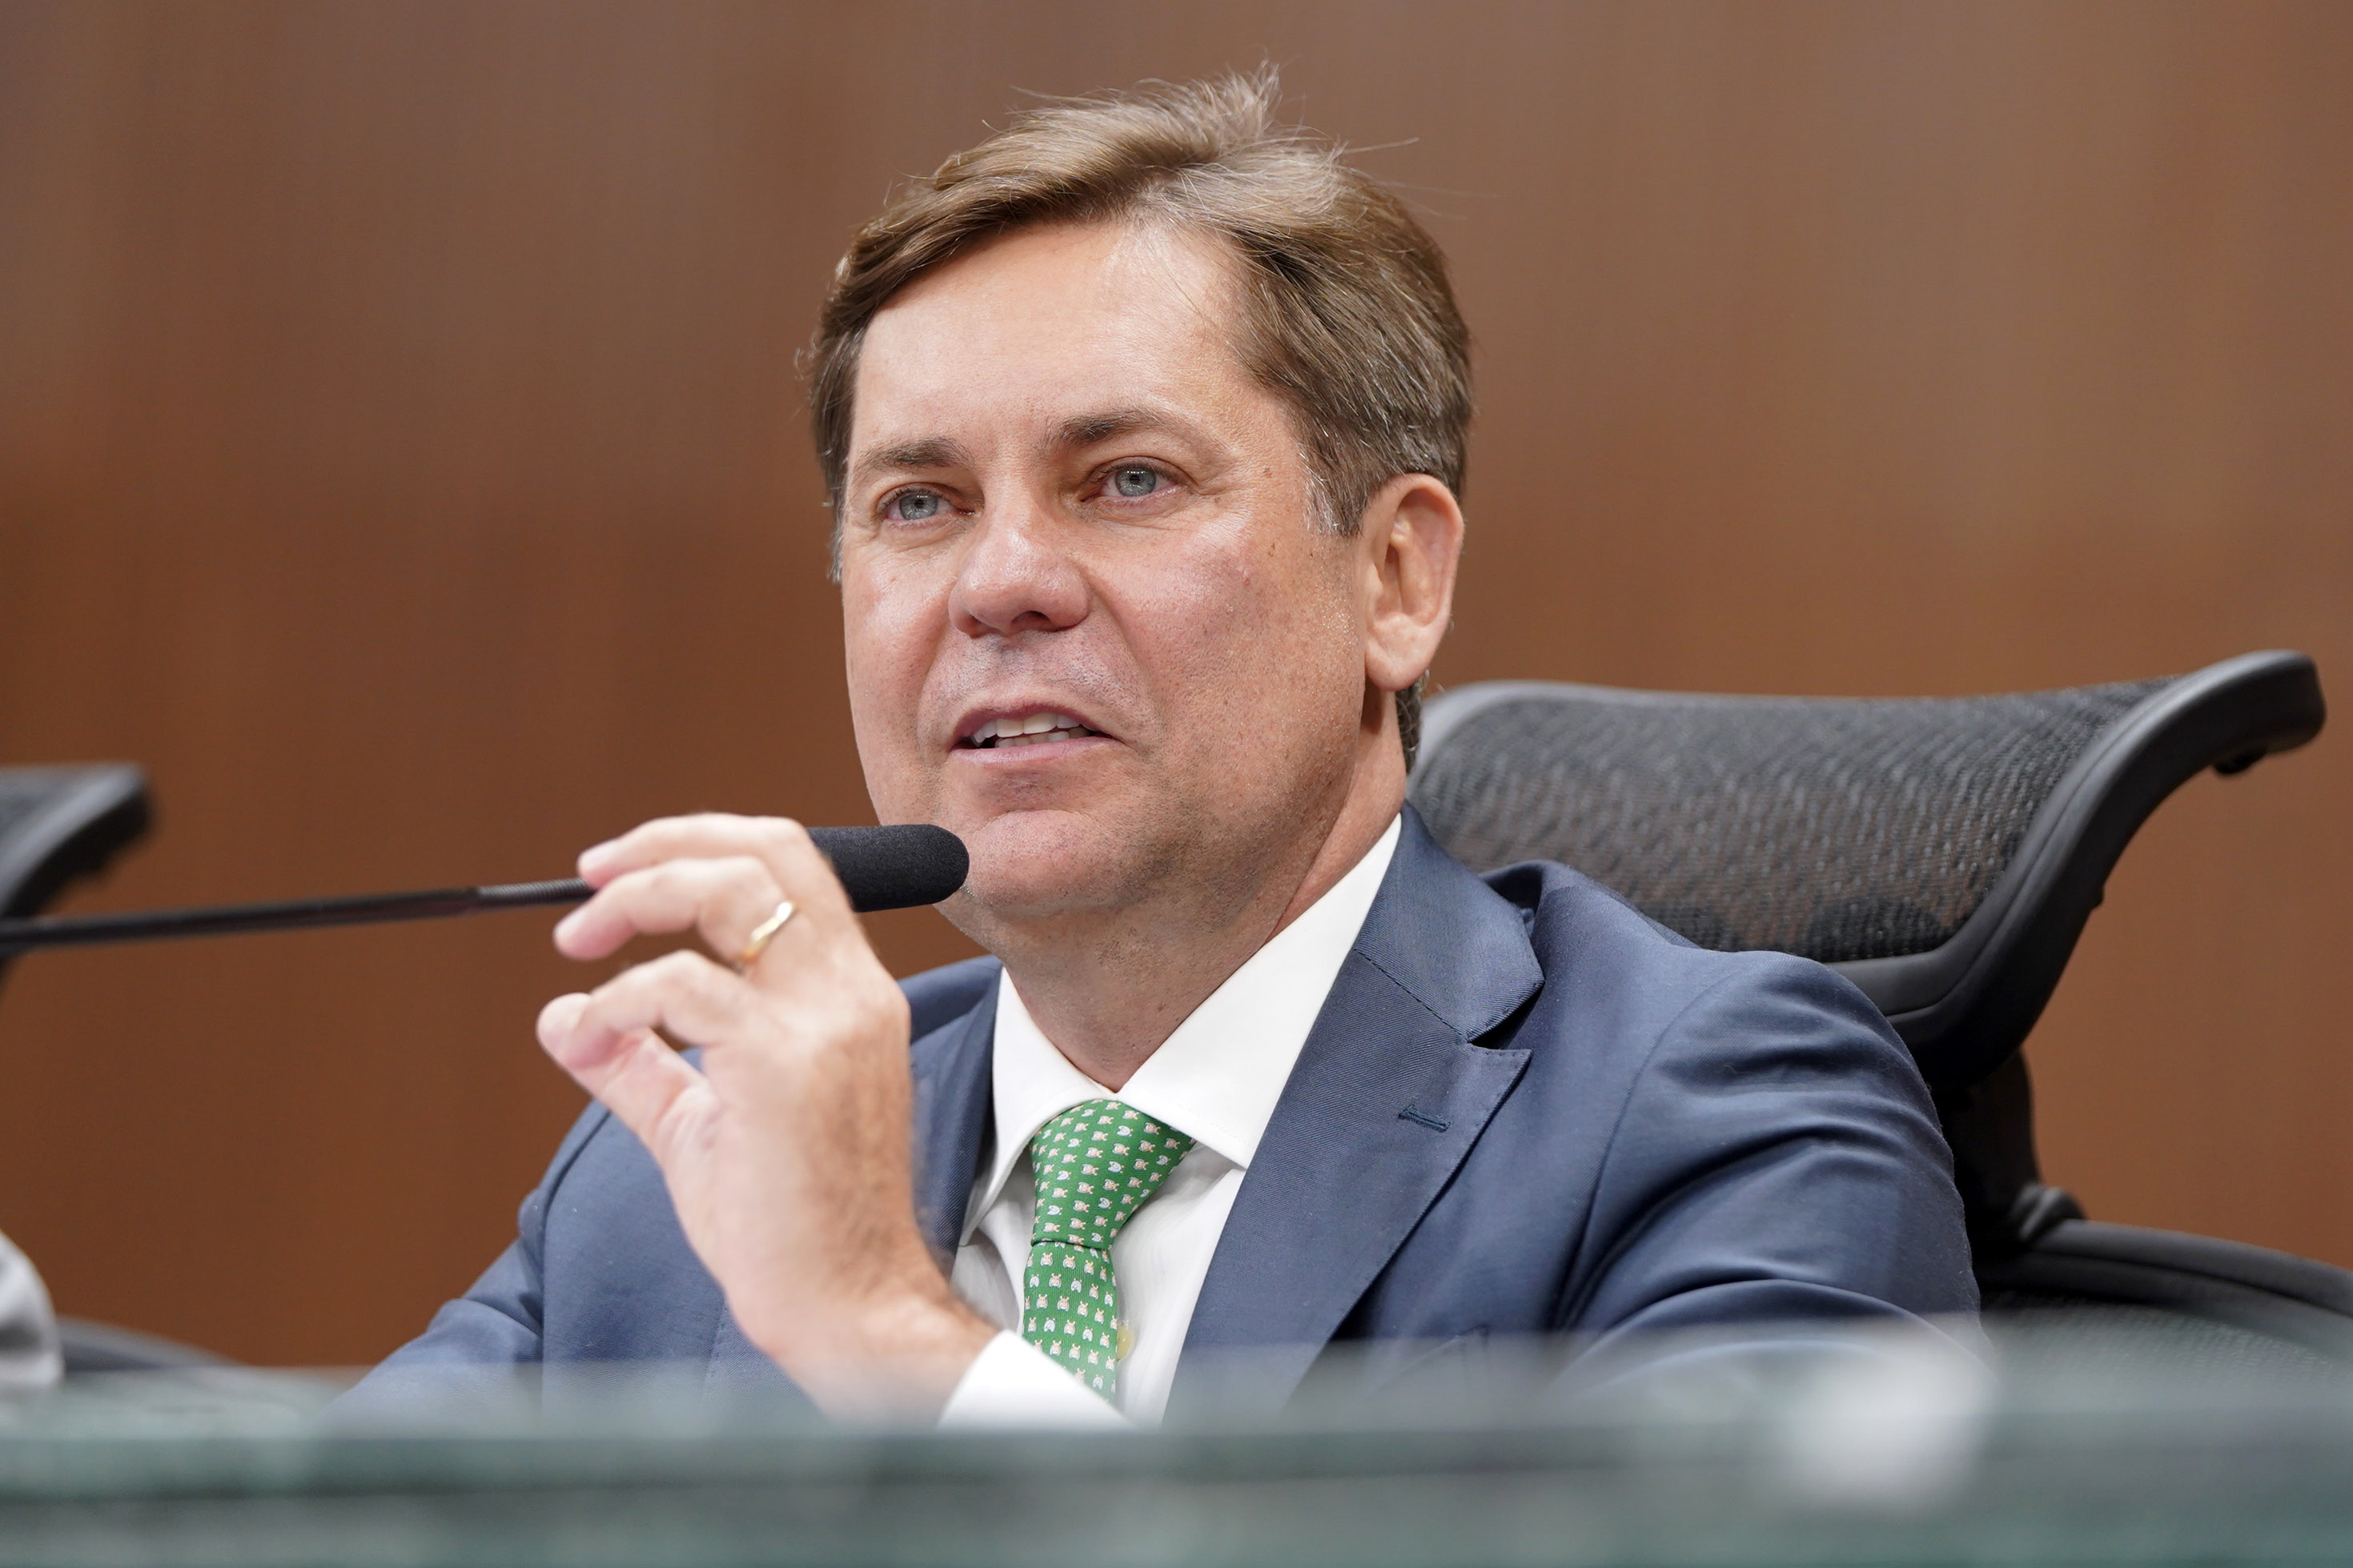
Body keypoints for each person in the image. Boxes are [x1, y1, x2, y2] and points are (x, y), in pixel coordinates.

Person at [357, 72, 1974, 1428]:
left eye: (1126, 479)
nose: (1001, 582)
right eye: (919, 503)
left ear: (1395, 579)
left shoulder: (1716, 1116)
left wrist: (893, 1337)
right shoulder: (688, 1168)